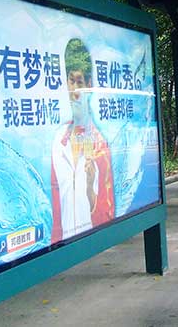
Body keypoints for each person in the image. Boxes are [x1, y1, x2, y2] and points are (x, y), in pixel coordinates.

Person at [50, 38, 115, 244]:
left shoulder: (100, 147)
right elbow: (56, 211)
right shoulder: (58, 141)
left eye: (80, 82)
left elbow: (107, 216)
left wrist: (89, 190)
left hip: (92, 244)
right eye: (72, 81)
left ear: (89, 85)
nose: (75, 90)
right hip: (64, 247)